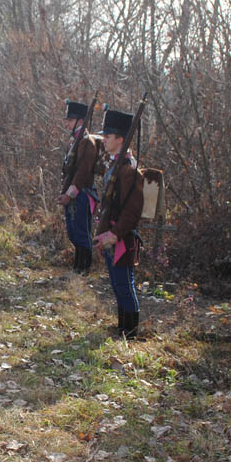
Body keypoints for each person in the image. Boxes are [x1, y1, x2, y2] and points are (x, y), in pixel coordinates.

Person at [92, 108, 145, 339]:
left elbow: (132, 213)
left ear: (121, 139)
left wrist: (113, 234)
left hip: (122, 237)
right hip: (111, 234)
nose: (104, 139)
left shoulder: (128, 171)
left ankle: (130, 332)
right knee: (117, 283)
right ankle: (122, 328)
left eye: (108, 136)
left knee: (124, 284)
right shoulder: (116, 165)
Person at [57, 100, 104, 273]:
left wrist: (70, 194)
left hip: (81, 194)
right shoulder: (75, 141)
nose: (67, 123)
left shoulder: (86, 142)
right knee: (73, 232)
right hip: (74, 193)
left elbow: (83, 172)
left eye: (71, 119)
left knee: (82, 233)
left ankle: (83, 269)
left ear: (80, 121)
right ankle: (77, 267)